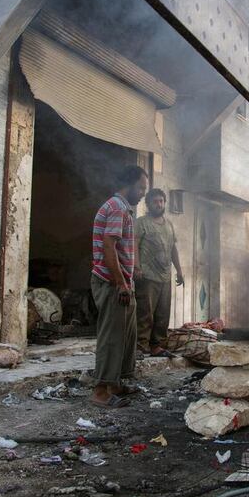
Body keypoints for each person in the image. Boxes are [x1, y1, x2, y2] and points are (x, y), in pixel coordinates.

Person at [89, 165, 148, 407]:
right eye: (142, 187)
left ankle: (115, 383)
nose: (144, 192)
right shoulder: (117, 208)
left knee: (126, 335)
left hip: (123, 281)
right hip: (113, 282)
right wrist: (121, 283)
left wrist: (130, 277)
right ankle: (100, 391)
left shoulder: (125, 209)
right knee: (112, 337)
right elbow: (108, 246)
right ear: (130, 184)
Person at [134, 188, 184, 357]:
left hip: (165, 276)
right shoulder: (141, 222)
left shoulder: (169, 224)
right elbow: (134, 245)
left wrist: (179, 270)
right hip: (147, 276)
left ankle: (157, 345)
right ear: (148, 204)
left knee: (163, 313)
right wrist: (136, 267)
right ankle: (141, 345)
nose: (159, 204)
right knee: (145, 312)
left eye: (161, 201)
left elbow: (173, 248)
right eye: (155, 201)